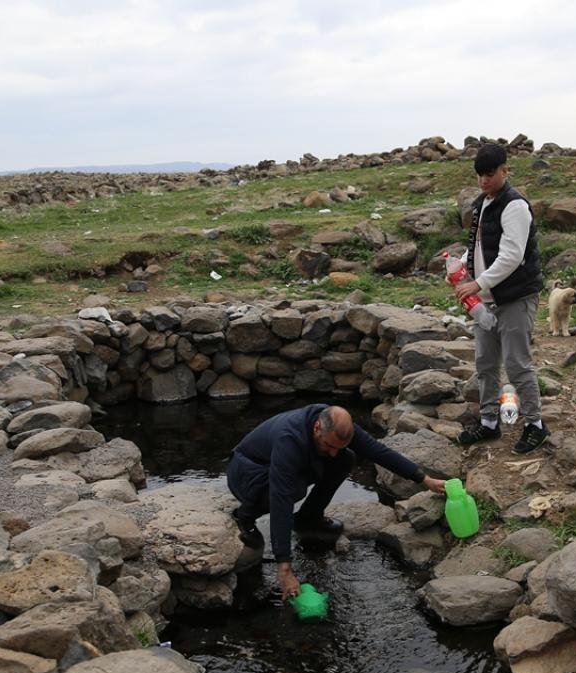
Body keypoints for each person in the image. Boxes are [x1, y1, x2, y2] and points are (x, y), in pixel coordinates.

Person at [227, 404, 447, 599]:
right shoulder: (289, 440)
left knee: (345, 459)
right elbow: (281, 500)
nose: (332, 452)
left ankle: (308, 519)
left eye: (337, 446)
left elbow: (379, 452)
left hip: (275, 467)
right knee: (292, 489)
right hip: (246, 471)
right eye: (328, 445)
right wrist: (284, 566)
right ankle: (245, 516)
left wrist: (424, 478)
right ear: (316, 429)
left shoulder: (337, 427)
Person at [454, 143, 550, 455]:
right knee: (485, 362)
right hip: (486, 298)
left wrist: (477, 283)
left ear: (505, 170)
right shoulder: (482, 202)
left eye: (490, 173)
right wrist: (460, 266)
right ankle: (489, 422)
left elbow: (511, 255)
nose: (484, 180)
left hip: (515, 296)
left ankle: (535, 425)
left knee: (516, 363)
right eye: (479, 174)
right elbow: (479, 245)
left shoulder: (515, 205)